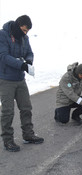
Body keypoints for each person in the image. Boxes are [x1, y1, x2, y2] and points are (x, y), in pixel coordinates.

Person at [0, 15, 44, 152]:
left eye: (27, 32)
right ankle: (8, 140)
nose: (25, 34)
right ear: (18, 25)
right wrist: (21, 65)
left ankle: (28, 135)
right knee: (7, 111)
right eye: (24, 30)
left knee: (26, 107)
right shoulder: (3, 35)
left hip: (20, 79)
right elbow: (4, 56)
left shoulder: (25, 38)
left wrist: (29, 61)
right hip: (6, 79)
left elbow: (29, 53)